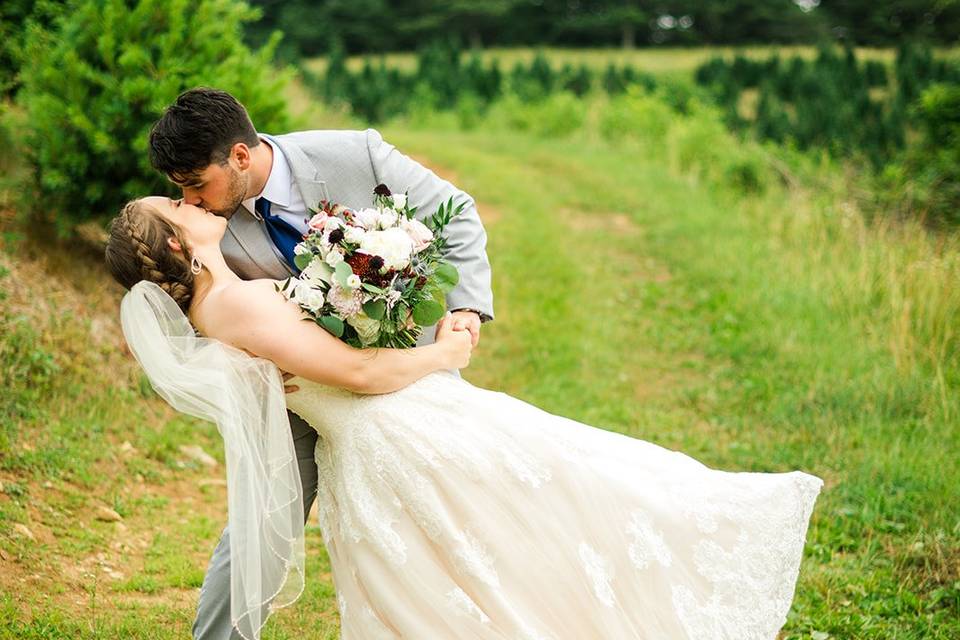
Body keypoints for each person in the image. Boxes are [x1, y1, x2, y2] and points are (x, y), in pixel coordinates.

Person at [106, 193, 821, 640]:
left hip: (385, 428)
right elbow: (355, 372)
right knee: (547, 501)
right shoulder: (231, 304)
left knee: (506, 533)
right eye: (178, 207)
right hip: (390, 431)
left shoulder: (227, 292)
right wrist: (444, 355)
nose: (190, 201)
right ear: (176, 243)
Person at [143, 87, 494, 639]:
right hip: (302, 393)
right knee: (261, 524)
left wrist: (468, 309)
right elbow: (187, 313)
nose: (192, 202)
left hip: (408, 375)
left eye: (196, 185)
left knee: (440, 525)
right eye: (181, 191)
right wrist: (240, 361)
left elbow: (457, 214)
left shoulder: (358, 155)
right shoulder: (199, 230)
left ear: (240, 156)